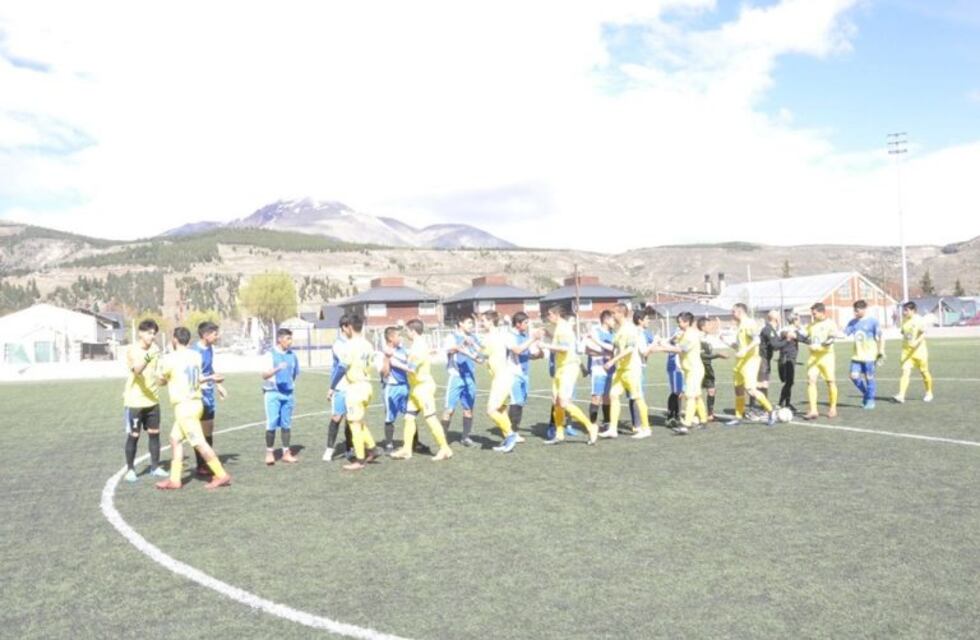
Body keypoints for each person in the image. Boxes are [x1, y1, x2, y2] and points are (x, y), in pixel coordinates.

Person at [155, 326, 231, 490]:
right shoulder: (195, 355)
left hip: (184, 406)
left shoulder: (169, 358)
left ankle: (221, 474)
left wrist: (162, 374)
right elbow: (196, 377)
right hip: (196, 403)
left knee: (199, 443)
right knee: (175, 439)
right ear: (189, 341)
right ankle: (175, 479)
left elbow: (160, 381)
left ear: (174, 340)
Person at [391, 320, 453, 461]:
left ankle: (445, 448)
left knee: (430, 417)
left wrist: (394, 362)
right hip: (416, 388)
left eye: (407, 331)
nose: (406, 333)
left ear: (413, 331)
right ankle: (407, 449)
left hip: (423, 387)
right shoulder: (417, 345)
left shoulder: (418, 347)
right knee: (409, 417)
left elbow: (411, 368)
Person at [539, 305, 599, 445]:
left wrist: (545, 345)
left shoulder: (564, 328)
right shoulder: (560, 328)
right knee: (555, 401)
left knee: (564, 402)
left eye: (549, 314)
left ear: (556, 314)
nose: (548, 317)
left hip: (568, 367)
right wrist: (549, 336)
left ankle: (591, 427)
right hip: (560, 368)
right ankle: (559, 434)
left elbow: (565, 348)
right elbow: (562, 342)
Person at [122, 319, 168, 482]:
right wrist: (149, 356)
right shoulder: (131, 350)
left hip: (153, 400)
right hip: (134, 401)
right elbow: (136, 371)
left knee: (154, 434)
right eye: (149, 333)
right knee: (134, 435)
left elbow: (157, 372)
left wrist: (163, 379)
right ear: (140, 333)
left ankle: (155, 467)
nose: (152, 336)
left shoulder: (155, 349)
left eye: (154, 333)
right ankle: (130, 470)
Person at [602, 303, 651, 439]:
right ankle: (612, 429)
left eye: (614, 313)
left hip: (631, 369)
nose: (612, 315)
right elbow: (616, 347)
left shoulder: (630, 329)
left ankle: (646, 429)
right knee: (613, 394)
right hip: (621, 370)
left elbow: (629, 349)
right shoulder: (619, 329)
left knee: (637, 397)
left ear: (621, 313)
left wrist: (612, 361)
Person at [338, 315, 380, 471]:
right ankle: (372, 448)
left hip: (355, 388)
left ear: (349, 326)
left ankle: (360, 460)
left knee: (354, 424)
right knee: (359, 421)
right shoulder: (368, 344)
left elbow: (342, 367)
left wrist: (332, 386)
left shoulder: (350, 345)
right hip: (367, 386)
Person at [726, 303, 778, 426]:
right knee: (738, 389)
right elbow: (740, 346)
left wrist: (744, 351)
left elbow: (757, 340)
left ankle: (771, 411)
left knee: (750, 389)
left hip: (750, 361)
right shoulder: (740, 325)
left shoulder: (749, 324)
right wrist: (726, 341)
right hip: (740, 362)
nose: (731, 314)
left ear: (739, 312)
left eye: (733, 312)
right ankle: (738, 417)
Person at [660, 312, 708, 434]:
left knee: (690, 396)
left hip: (695, 370)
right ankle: (703, 420)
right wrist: (669, 341)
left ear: (687, 322)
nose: (679, 324)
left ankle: (687, 424)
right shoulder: (684, 334)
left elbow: (680, 349)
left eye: (680, 322)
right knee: (696, 395)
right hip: (689, 369)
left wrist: (661, 347)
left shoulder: (690, 335)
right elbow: (675, 344)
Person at [191, 321, 226, 477]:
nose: (217, 336)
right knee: (199, 430)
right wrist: (211, 378)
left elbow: (210, 368)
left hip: (209, 393)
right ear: (205, 335)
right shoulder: (194, 353)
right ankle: (201, 464)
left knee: (208, 429)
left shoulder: (210, 348)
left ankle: (206, 462)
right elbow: (193, 377)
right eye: (214, 334)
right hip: (197, 395)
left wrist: (218, 386)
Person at [441, 316, 483, 443]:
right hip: (456, 377)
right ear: (460, 323)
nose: (471, 325)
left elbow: (480, 354)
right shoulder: (451, 337)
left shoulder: (474, 337)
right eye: (469, 322)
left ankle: (465, 437)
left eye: (472, 323)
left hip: (469, 377)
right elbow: (450, 350)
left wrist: (479, 355)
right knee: (449, 409)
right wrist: (461, 344)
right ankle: (442, 438)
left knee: (468, 409)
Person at [262, 328, 300, 465]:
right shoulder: (270, 354)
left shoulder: (292, 355)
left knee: (286, 423)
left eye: (291, 339)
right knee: (271, 423)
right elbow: (264, 375)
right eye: (288, 339)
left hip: (288, 394)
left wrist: (290, 385)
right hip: (272, 393)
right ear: (280, 339)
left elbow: (295, 374)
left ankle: (286, 453)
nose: (290, 342)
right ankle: (269, 453)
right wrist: (278, 368)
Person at [506, 312, 541, 444]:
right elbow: (517, 350)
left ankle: (512, 430)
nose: (527, 325)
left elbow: (531, 353)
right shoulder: (509, 336)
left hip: (525, 374)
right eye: (525, 323)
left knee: (520, 404)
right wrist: (533, 339)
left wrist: (540, 351)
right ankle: (512, 433)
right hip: (513, 373)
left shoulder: (524, 336)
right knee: (516, 402)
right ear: (518, 324)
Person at [801, 303, 840, 420]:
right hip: (813, 358)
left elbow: (831, 339)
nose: (812, 316)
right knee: (811, 381)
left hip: (826, 357)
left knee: (830, 382)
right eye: (812, 314)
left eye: (814, 313)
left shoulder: (830, 324)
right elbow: (804, 336)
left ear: (822, 312)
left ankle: (833, 408)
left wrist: (818, 347)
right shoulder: (811, 325)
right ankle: (813, 410)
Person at [844, 300, 885, 409]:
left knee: (869, 378)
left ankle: (870, 400)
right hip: (857, 356)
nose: (855, 313)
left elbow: (881, 336)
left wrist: (881, 351)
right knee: (853, 376)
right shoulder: (852, 322)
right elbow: (844, 334)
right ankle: (867, 394)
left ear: (864, 309)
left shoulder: (873, 322)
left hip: (869, 356)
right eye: (854, 311)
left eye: (857, 311)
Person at [324, 314, 353, 461]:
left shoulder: (356, 342)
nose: (353, 328)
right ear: (344, 327)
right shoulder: (338, 344)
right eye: (351, 326)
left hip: (355, 387)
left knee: (352, 418)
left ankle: (350, 448)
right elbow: (341, 368)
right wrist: (332, 387)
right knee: (337, 417)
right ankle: (329, 449)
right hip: (341, 387)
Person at [893, 301, 934, 403]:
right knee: (905, 372)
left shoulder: (919, 320)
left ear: (913, 310)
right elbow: (903, 332)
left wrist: (916, 342)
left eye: (906, 310)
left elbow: (924, 333)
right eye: (904, 310)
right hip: (907, 352)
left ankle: (929, 392)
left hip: (919, 351)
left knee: (924, 372)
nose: (904, 312)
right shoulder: (904, 320)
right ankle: (901, 395)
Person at [379, 326, 411, 454]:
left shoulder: (402, 350)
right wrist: (387, 358)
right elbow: (384, 373)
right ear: (391, 338)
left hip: (405, 386)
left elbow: (409, 361)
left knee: (410, 414)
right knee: (390, 417)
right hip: (391, 388)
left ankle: (414, 442)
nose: (400, 338)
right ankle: (389, 444)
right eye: (398, 335)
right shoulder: (381, 354)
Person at [584, 310, 615, 431]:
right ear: (606, 320)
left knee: (608, 396)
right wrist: (604, 352)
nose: (614, 322)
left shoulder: (614, 334)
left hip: (611, 369)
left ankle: (607, 422)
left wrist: (608, 352)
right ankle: (592, 424)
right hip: (598, 369)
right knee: (596, 396)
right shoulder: (595, 332)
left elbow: (614, 349)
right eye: (612, 319)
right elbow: (588, 349)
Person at [696, 316, 727, 423]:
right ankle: (696, 414)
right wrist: (718, 355)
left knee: (711, 391)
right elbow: (702, 356)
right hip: (699, 368)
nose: (711, 327)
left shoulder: (706, 337)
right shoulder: (698, 338)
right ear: (703, 326)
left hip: (708, 368)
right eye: (709, 325)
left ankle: (710, 414)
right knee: (695, 392)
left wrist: (719, 325)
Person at [769, 314, 802, 411]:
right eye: (799, 320)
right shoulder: (789, 331)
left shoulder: (789, 330)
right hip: (787, 359)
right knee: (789, 382)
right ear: (794, 321)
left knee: (789, 382)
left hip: (787, 359)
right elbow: (803, 339)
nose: (800, 322)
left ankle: (786, 403)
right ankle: (781, 404)